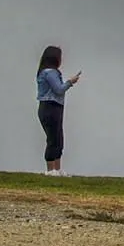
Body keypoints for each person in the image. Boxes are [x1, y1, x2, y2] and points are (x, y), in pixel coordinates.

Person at [35, 45, 81, 176]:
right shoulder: (50, 73)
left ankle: (57, 168)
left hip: (54, 107)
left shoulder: (46, 72)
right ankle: (50, 170)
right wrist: (70, 82)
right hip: (50, 106)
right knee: (53, 138)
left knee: (58, 138)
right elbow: (59, 89)